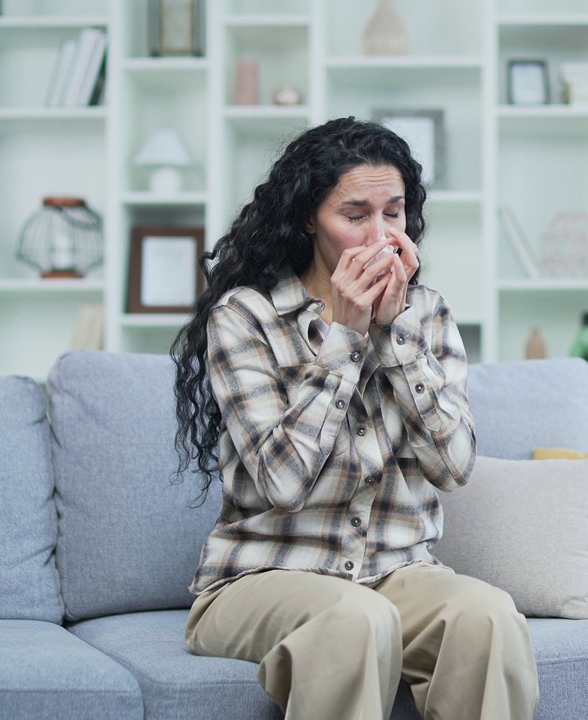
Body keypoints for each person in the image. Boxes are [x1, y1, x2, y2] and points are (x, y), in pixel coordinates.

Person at [170, 117, 539, 720]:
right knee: (355, 618)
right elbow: (281, 484)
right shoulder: (246, 317)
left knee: (487, 615)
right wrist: (344, 337)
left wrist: (394, 334)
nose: (379, 236)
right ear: (310, 218)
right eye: (355, 214)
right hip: (261, 577)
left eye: (393, 213)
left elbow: (455, 467)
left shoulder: (428, 315)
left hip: (395, 574)